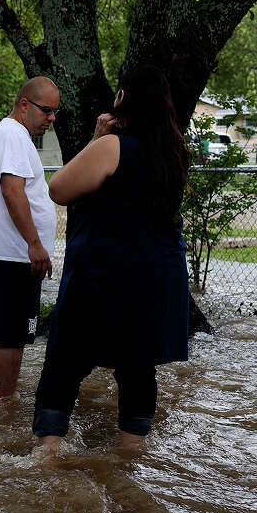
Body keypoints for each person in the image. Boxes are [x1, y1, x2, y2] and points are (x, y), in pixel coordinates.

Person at [33, 64, 189, 451]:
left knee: (65, 360)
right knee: (138, 364)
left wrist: (96, 138)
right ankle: (130, 455)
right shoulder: (174, 153)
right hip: (157, 274)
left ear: (123, 99)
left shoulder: (113, 146)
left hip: (106, 272)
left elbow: (59, 188)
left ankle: (49, 454)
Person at [0, 77, 58, 402]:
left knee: (3, 327)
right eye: (47, 111)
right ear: (25, 104)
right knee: (13, 336)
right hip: (15, 254)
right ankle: (5, 403)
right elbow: (12, 190)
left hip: (9, 252)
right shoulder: (12, 135)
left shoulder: (11, 134)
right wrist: (34, 244)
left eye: (55, 112)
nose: (51, 118)